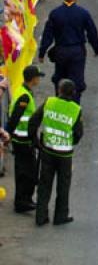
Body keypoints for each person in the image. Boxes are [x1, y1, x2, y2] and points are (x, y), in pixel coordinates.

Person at [29, 78, 83, 226]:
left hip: (47, 150)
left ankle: (41, 216)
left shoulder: (49, 102)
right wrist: (70, 142)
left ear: (59, 90)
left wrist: (34, 141)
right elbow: (78, 133)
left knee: (44, 183)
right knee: (63, 185)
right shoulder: (75, 109)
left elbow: (33, 120)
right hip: (65, 153)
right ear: (72, 94)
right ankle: (60, 216)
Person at [38, 0, 98, 103]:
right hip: (77, 51)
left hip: (60, 51)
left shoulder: (55, 14)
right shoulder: (83, 13)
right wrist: (96, 48)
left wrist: (42, 52)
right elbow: (92, 32)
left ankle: (59, 107)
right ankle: (75, 109)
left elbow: (48, 34)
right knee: (76, 82)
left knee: (59, 79)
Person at [6, 64, 44, 213]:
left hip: (23, 139)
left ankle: (25, 199)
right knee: (25, 172)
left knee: (27, 170)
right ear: (33, 79)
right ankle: (22, 202)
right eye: (38, 77)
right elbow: (16, 116)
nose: (39, 80)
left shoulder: (24, 91)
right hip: (22, 140)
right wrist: (7, 135)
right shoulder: (24, 96)